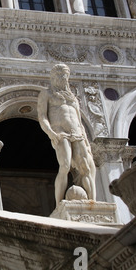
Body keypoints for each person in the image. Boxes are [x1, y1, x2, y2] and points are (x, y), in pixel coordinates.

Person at [37, 64, 96, 204]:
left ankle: (93, 202)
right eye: (58, 75)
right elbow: (42, 116)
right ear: (52, 77)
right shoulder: (46, 94)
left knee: (86, 168)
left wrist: (86, 140)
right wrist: (50, 132)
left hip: (77, 133)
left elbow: (79, 119)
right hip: (60, 132)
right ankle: (59, 204)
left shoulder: (72, 97)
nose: (61, 77)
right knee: (65, 166)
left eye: (64, 75)